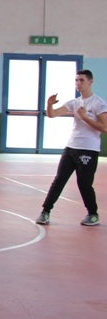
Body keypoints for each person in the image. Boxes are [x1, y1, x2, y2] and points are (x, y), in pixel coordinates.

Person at [36, 69, 107, 226]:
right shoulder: (74, 102)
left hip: (89, 149)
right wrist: (49, 105)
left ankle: (93, 214)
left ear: (90, 82)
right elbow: (52, 115)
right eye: (76, 80)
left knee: (84, 183)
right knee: (59, 180)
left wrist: (85, 117)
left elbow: (104, 127)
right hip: (71, 147)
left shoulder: (99, 103)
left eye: (81, 80)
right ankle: (45, 212)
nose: (78, 83)